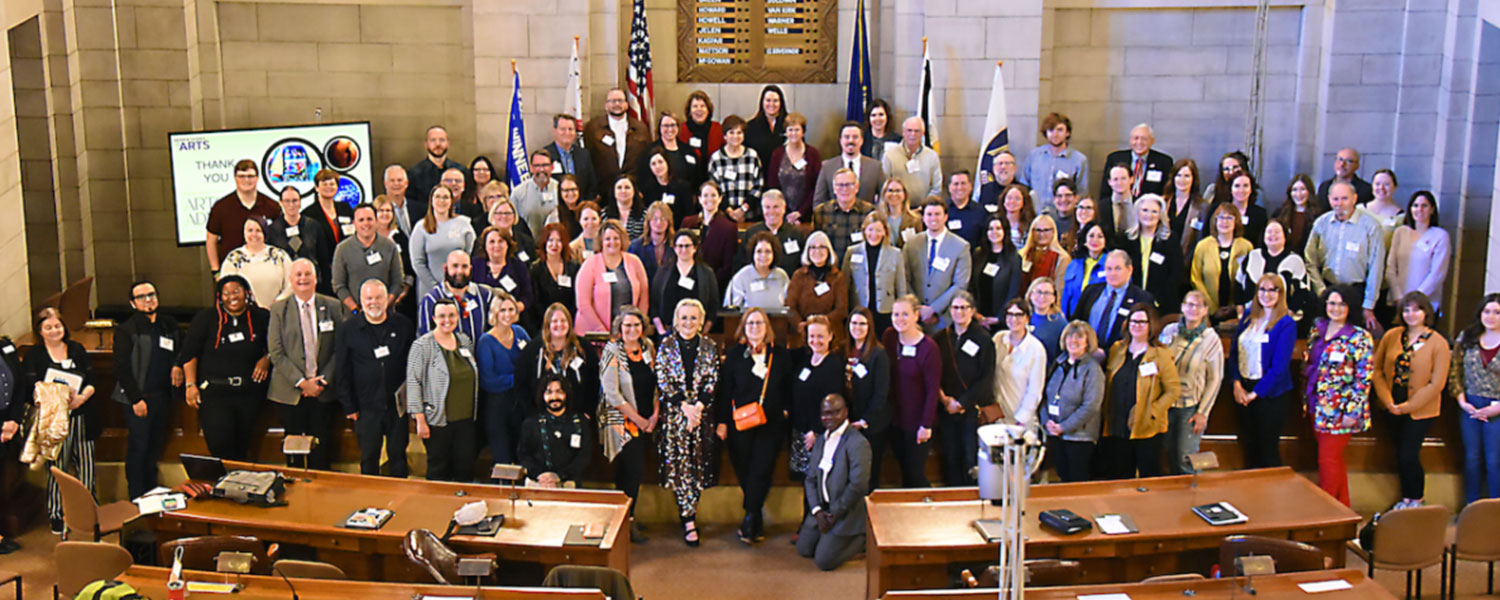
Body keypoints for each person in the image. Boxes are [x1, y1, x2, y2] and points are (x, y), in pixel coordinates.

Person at [717, 308, 792, 545]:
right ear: (743, 327)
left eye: (759, 323)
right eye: (750, 323)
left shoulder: (779, 355)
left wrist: (786, 410)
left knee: (762, 469)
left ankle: (750, 516)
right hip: (739, 423)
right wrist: (721, 422)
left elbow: (789, 387)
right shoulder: (735, 355)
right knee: (744, 470)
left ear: (767, 327)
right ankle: (755, 515)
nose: (755, 327)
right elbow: (725, 391)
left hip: (771, 423)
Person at [1372, 291, 1451, 510]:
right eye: (1406, 309)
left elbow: (1437, 384)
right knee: (1398, 454)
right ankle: (1405, 499)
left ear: (1426, 312)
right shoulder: (1392, 335)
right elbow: (1377, 370)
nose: (1411, 314)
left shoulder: (1438, 342)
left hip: (1420, 410)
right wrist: (1388, 402)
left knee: (1409, 455)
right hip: (1391, 406)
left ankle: (1416, 499)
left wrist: (1407, 407)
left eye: (1416, 309)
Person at [266, 259, 348, 470]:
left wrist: (321, 381)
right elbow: (276, 352)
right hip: (289, 392)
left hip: (323, 390)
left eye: (307, 274)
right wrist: (303, 383)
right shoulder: (278, 309)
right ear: (291, 280)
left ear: (316, 277)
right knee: (294, 449)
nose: (303, 278)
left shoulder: (332, 305)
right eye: (298, 275)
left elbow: (341, 347)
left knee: (322, 447)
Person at [25, 307, 99, 534]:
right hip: (54, 421)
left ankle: (89, 512)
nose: (54, 330)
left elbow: (92, 380)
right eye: (48, 327)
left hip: (82, 416)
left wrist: (81, 398)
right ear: (40, 331)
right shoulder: (34, 355)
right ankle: (57, 514)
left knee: (87, 467)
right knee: (57, 468)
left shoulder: (76, 349)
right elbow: (30, 389)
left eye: (58, 326)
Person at [181, 275, 271, 462]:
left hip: (249, 393)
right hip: (215, 394)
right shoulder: (206, 318)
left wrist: (266, 359)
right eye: (226, 293)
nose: (232, 297)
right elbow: (190, 353)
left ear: (246, 293)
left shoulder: (261, 316)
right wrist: (190, 385)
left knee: (244, 447)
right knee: (220, 446)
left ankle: (241, 486)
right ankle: (226, 487)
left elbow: (276, 346)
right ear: (220, 297)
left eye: (236, 291)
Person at [655, 299, 721, 546]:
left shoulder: (710, 346)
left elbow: (712, 380)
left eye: (694, 318)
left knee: (698, 468)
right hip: (675, 416)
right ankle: (688, 519)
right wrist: (684, 407)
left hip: (702, 417)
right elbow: (663, 381)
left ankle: (693, 510)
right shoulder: (666, 346)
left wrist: (698, 409)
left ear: (701, 321)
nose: (689, 322)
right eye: (684, 317)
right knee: (681, 468)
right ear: (676, 320)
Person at [335, 279, 415, 478]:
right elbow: (342, 370)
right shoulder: (348, 330)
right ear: (361, 301)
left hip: (398, 408)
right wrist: (349, 406)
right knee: (369, 457)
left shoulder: (403, 324)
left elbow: (413, 366)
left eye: (378, 297)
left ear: (386, 298)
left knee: (398, 456)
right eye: (368, 298)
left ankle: (401, 499)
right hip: (365, 408)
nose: (374, 302)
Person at [1302, 285, 1374, 506]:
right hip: (1316, 404)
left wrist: (1352, 410)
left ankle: (1327, 512)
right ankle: (1343, 510)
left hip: (1341, 410)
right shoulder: (1317, 328)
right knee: (1333, 461)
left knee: (1328, 460)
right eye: (1332, 303)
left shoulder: (1360, 337)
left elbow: (1364, 379)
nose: (1336, 308)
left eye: (1342, 304)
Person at [113, 281, 184, 499]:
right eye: (142, 297)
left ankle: (152, 494)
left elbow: (183, 347)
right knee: (139, 448)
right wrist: (136, 399)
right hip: (138, 399)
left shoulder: (168, 323)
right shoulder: (127, 330)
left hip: (162, 397)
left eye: (151, 294)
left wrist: (177, 365)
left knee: (155, 447)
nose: (148, 299)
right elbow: (121, 367)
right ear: (133, 303)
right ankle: (136, 497)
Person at [1099, 303, 1180, 479]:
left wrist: (1154, 411)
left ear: (1151, 325)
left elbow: (1173, 390)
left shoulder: (1161, 354)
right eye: (1133, 321)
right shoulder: (1117, 349)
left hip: (1146, 426)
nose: (1137, 325)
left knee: (1148, 475)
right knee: (1119, 475)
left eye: (1142, 322)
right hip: (1117, 423)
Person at [1227, 273, 1299, 468]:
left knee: (1267, 448)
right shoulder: (1248, 317)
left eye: (1272, 290)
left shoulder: (1286, 324)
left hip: (1270, 394)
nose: (1267, 294)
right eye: (1262, 289)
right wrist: (1236, 384)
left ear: (1280, 293)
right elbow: (1234, 354)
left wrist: (1254, 394)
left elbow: (1279, 367)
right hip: (1243, 388)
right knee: (1248, 445)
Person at [599, 307, 657, 542]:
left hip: (645, 419)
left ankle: (625, 516)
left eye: (636, 325)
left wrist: (654, 415)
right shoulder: (612, 351)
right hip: (621, 422)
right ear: (619, 329)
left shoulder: (648, 348)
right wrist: (639, 420)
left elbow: (656, 383)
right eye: (627, 326)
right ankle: (627, 521)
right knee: (633, 470)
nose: (632, 330)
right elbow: (612, 393)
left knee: (631, 472)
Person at [797, 394, 871, 572]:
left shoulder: (858, 443)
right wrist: (817, 510)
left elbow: (858, 485)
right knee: (804, 549)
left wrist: (835, 513)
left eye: (835, 413)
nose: (829, 418)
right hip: (823, 509)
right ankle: (829, 537)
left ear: (845, 412)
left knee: (824, 561)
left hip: (846, 511)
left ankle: (862, 538)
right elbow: (810, 479)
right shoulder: (821, 440)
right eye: (825, 414)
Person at [407, 299, 478, 482]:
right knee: (439, 471)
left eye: (451, 315)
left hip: (466, 421)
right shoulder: (422, 346)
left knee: (465, 469)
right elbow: (413, 383)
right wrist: (420, 420)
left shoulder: (464, 341)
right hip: (437, 422)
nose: (447, 320)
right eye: (442, 316)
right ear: (433, 318)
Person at [1158, 291, 1224, 475]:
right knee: (1167, 453)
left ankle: (1192, 498)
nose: (1193, 309)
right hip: (1165, 403)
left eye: (1198, 305)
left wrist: (1203, 412)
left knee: (1185, 458)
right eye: (1189, 304)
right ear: (1182, 307)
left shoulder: (1211, 340)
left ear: (1205, 310)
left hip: (1189, 407)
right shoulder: (1170, 331)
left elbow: (1215, 379)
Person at [1306, 181, 1386, 330]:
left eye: (1344, 198)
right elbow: (1309, 260)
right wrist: (1321, 291)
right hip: (1327, 289)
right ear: (1329, 199)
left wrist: (1369, 305)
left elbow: (1376, 267)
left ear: (1354, 198)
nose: (1339, 203)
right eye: (1335, 199)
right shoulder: (1321, 224)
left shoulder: (1371, 227)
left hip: (1355, 293)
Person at [933, 293, 994, 485]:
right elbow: (933, 373)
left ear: (973, 311)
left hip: (971, 409)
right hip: (946, 407)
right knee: (950, 456)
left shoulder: (983, 339)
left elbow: (986, 377)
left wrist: (962, 403)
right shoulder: (941, 338)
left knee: (970, 458)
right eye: (955, 308)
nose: (959, 312)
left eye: (964, 307)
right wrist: (945, 400)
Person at [882, 295, 941, 487]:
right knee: (904, 472)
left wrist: (926, 424)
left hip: (918, 423)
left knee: (916, 474)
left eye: (905, 314)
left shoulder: (929, 348)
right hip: (895, 420)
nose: (900, 319)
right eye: (896, 314)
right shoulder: (889, 337)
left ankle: (930, 512)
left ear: (916, 315)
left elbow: (933, 390)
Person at [1450, 293, 1500, 504]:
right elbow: (1455, 371)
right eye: (1487, 311)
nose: (1491, 316)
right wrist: (1462, 401)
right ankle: (1471, 509)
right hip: (1469, 404)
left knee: (1493, 460)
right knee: (1472, 459)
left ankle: (1494, 510)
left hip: (1496, 408)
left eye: (1497, 312)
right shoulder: (1467, 337)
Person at [1043, 321, 1106, 482]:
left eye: (1079, 337)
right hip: (1055, 433)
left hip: (1079, 436)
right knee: (1062, 476)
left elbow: (1091, 405)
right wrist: (1047, 423)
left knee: (1077, 480)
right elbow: (1045, 396)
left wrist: (1063, 427)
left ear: (1088, 342)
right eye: (1070, 336)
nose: (1074, 341)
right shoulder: (1059, 362)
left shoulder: (1092, 369)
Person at [476, 292, 530, 467]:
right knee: (502, 457)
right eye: (502, 310)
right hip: (497, 407)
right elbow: (489, 381)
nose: (507, 314)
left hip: (520, 404)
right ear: (495, 313)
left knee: (522, 454)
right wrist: (519, 378)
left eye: (511, 309)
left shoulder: (520, 332)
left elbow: (532, 359)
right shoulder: (486, 341)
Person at [904, 198, 973, 330]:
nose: (933, 218)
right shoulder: (911, 245)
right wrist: (918, 308)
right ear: (923, 218)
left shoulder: (960, 246)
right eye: (929, 214)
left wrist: (933, 309)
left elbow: (960, 284)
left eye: (937, 214)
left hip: (944, 318)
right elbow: (904, 279)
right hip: (914, 317)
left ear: (945, 217)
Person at [575, 220, 650, 335]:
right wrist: (602, 332)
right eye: (607, 239)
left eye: (616, 238)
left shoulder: (634, 262)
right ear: (601, 241)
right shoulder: (590, 265)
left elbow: (644, 297)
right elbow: (583, 304)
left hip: (628, 334)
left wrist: (637, 325)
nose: (612, 242)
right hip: (594, 334)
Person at [205, 159, 280, 273]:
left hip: (266, 270)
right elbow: (211, 241)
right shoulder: (221, 207)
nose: (246, 180)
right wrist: (216, 271)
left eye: (250, 176)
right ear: (235, 178)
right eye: (241, 176)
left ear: (257, 178)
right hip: (232, 271)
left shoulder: (272, 206)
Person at [517, 374, 592, 488]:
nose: (554, 397)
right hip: (538, 481)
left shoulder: (580, 422)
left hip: (568, 482)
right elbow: (524, 455)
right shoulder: (531, 423)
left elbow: (584, 457)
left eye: (559, 392)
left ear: (567, 394)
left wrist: (560, 476)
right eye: (549, 392)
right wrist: (540, 475)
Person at [1071, 250, 1154, 349]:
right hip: (1086, 355)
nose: (1112, 273)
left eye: (1118, 269)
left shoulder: (1142, 298)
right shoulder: (1090, 291)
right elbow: (1076, 322)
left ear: (1129, 270)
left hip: (1120, 357)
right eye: (1109, 269)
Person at [846, 309, 891, 489]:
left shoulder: (878, 354)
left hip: (872, 425)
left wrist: (864, 421)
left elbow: (881, 393)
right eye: (854, 323)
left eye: (862, 324)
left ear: (870, 326)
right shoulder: (844, 349)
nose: (857, 327)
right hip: (849, 423)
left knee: (869, 475)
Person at [1236, 220, 1313, 326]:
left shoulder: (1295, 260)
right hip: (1253, 317)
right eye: (1269, 231)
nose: (1272, 235)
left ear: (1285, 236)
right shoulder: (1252, 256)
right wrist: (1241, 312)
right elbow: (1238, 284)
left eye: (1277, 232)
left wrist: (1287, 316)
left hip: (1284, 320)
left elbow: (1302, 292)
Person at [331, 203, 405, 312]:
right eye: (361, 220)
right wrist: (356, 310)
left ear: (376, 221)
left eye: (369, 219)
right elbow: (338, 285)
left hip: (386, 314)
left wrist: (383, 307)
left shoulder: (390, 246)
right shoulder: (342, 249)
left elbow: (397, 282)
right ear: (354, 223)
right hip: (354, 316)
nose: (366, 223)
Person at [1385, 191, 1450, 315]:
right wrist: (1399, 297)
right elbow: (1391, 268)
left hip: (1425, 304)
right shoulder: (1401, 232)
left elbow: (1437, 274)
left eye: (1424, 206)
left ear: (1432, 209)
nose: (1419, 209)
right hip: (1398, 302)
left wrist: (1415, 300)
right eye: (1415, 205)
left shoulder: (1440, 236)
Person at [845, 213, 908, 336]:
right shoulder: (852, 252)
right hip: (860, 310)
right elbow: (846, 284)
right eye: (870, 229)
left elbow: (901, 288)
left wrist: (901, 312)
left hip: (885, 311)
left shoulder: (895, 253)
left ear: (885, 232)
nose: (874, 234)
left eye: (878, 230)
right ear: (864, 230)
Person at [650, 229, 721, 334]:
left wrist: (704, 331)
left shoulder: (706, 273)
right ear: (674, 248)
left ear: (695, 248)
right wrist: (661, 330)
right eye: (680, 246)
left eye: (687, 246)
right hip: (668, 331)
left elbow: (713, 305)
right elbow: (654, 303)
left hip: (697, 332)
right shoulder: (663, 272)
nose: (683, 250)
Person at [1191, 203, 1254, 320]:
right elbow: (1196, 278)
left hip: (1238, 311)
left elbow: (1249, 279)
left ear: (1236, 222)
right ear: (1215, 221)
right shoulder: (1203, 246)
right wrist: (1212, 308)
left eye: (1229, 218)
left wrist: (1236, 306)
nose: (1225, 222)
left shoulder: (1246, 247)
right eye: (1221, 217)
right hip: (1207, 312)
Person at [410, 185, 476, 296]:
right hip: (430, 289)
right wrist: (436, 287)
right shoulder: (421, 227)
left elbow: (469, 254)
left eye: (445, 197)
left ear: (451, 201)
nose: (441, 201)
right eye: (437, 197)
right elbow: (418, 263)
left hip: (459, 287)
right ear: (431, 200)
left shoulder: (464, 223)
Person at [1121, 194, 1182, 311]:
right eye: (1145, 210)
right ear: (1137, 212)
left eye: (1154, 211)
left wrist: (1156, 300)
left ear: (1161, 215)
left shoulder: (1170, 240)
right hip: (1130, 302)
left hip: (1161, 305)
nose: (1149, 215)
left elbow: (1176, 274)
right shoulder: (1126, 239)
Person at [786, 231, 849, 342]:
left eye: (822, 247)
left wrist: (820, 323)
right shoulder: (799, 276)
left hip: (831, 336)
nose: (817, 251)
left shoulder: (838, 277)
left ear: (829, 250)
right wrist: (801, 325)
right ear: (807, 251)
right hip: (803, 335)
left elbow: (841, 309)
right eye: (813, 247)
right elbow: (790, 307)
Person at [301, 169, 356, 295]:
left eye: (332, 184)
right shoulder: (309, 214)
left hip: (348, 267)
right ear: (316, 188)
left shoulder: (345, 208)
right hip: (325, 270)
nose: (328, 187)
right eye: (324, 184)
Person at [583, 88, 651, 189]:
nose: (617, 104)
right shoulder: (593, 128)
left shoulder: (640, 128)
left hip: (634, 188)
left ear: (627, 105)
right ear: (606, 105)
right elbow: (588, 159)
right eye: (613, 101)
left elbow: (647, 157)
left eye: (620, 100)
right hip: (604, 189)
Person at [993, 299, 1046, 428]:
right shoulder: (999, 339)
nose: (1013, 319)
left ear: (1027, 318)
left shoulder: (1036, 349)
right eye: (1010, 314)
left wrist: (1021, 419)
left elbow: (1035, 391)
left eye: (1019, 315)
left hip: (1020, 420)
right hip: (997, 416)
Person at [417, 250, 494, 339]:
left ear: (470, 269)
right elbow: (426, 338)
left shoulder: (485, 295)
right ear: (445, 268)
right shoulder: (431, 300)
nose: (460, 271)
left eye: (464, 266)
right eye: (455, 266)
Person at [219, 218, 293, 308]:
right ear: (244, 233)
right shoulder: (234, 258)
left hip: (278, 311)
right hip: (246, 313)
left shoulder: (280, 255)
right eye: (250, 230)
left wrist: (278, 303)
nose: (254, 234)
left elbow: (291, 284)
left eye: (258, 230)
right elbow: (227, 288)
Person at [1021, 112, 1089, 210]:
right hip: (1035, 214)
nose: (1055, 134)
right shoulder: (1034, 156)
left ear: (1067, 133)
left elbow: (1081, 193)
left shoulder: (1079, 160)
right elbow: (1024, 186)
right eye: (1051, 130)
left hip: (1064, 215)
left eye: (1060, 130)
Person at [681, 181, 739, 287]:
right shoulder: (688, 223)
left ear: (720, 199)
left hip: (714, 284)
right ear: (699, 199)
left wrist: (709, 283)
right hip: (687, 281)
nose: (709, 199)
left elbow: (728, 266)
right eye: (705, 195)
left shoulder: (729, 227)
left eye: (713, 195)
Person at [708, 115, 764, 223]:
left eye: (739, 133)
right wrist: (729, 211)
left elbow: (759, 185)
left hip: (750, 215)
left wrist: (743, 210)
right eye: (731, 132)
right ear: (724, 136)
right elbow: (713, 187)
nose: (735, 136)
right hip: (724, 216)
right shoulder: (716, 158)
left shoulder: (752, 156)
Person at [971, 214, 1023, 328]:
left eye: (998, 228)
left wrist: (999, 317)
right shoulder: (978, 254)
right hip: (978, 317)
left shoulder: (1014, 258)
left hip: (1001, 320)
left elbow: (1013, 292)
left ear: (1005, 230)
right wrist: (975, 313)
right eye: (990, 229)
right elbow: (971, 286)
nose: (994, 232)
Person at [767, 112, 822, 220]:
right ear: (785, 132)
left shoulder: (812, 154)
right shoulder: (777, 154)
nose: (793, 133)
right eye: (790, 130)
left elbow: (817, 187)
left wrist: (800, 212)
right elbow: (772, 185)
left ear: (803, 132)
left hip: (807, 214)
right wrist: (784, 211)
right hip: (781, 214)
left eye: (797, 130)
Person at [816, 121, 885, 207]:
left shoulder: (875, 167)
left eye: (855, 137)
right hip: (835, 219)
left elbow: (884, 198)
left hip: (867, 218)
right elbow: (819, 201)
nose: (851, 140)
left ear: (862, 141)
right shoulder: (828, 167)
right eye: (847, 137)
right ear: (841, 140)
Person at [739, 190, 807, 275]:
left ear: (784, 208)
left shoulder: (796, 234)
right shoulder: (751, 233)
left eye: (776, 207)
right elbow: (741, 265)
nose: (771, 212)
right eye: (767, 207)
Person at [813, 169, 877, 259]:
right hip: (832, 268)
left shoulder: (869, 212)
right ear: (834, 188)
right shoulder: (821, 212)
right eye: (840, 185)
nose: (845, 189)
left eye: (849, 184)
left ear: (857, 187)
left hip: (860, 266)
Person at [1100, 124, 1174, 198]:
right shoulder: (1114, 159)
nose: (1139, 142)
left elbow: (1167, 192)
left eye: (1144, 139)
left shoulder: (1164, 161)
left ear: (1152, 141)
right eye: (1135, 138)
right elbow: (1105, 191)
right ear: (1130, 140)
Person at [882, 117, 943, 206]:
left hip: (924, 211)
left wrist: (924, 207)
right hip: (897, 209)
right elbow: (885, 185)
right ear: (903, 132)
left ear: (923, 133)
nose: (912, 134)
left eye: (917, 131)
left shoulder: (932, 156)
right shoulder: (889, 155)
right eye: (909, 130)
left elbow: (936, 187)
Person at [374, 195, 418, 319]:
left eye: (388, 210)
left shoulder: (400, 236)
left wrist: (404, 291)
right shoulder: (369, 237)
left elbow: (410, 266)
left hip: (401, 297)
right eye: (381, 210)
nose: (385, 214)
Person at [724, 231, 791, 311]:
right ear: (753, 253)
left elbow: (789, 305)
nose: (763, 255)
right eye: (759, 251)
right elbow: (732, 310)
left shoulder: (782, 276)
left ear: (774, 254)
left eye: (768, 251)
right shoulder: (741, 276)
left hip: (778, 322)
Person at [473, 227, 533, 312]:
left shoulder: (519, 266)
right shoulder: (475, 265)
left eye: (501, 241)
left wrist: (515, 308)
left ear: (507, 245)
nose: (496, 245)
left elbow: (527, 296)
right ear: (485, 246)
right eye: (492, 242)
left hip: (510, 318)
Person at [407, 125, 465, 209]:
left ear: (448, 143)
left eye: (442, 140)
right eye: (433, 140)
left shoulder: (461, 171)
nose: (438, 144)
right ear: (426, 144)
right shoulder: (414, 174)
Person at [531, 223, 581, 319]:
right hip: (543, 323)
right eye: (551, 240)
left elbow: (576, 298)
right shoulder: (536, 269)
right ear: (544, 242)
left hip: (570, 322)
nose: (554, 245)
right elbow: (535, 302)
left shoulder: (573, 268)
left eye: (559, 241)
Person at [544, 114, 597, 203]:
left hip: (580, 208)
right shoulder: (545, 155)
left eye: (570, 129)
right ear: (555, 131)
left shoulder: (584, 154)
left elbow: (592, 185)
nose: (567, 133)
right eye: (563, 129)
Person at [1061, 222, 1108, 318]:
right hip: (1073, 318)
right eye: (1091, 236)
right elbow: (1065, 296)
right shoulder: (1074, 264)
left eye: (1100, 236)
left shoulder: (1111, 265)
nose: (1095, 240)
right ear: (1085, 240)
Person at [1163, 159, 1208, 258]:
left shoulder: (1201, 207)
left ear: (1193, 179)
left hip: (1187, 260)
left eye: (1187, 176)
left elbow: (1200, 238)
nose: (1182, 180)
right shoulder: (1162, 202)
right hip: (1162, 258)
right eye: (1178, 175)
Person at [265, 186, 321, 264]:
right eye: (287, 201)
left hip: (309, 274)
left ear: (300, 201)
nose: (291, 204)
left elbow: (323, 258)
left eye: (295, 200)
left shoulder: (313, 226)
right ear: (281, 203)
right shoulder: (272, 230)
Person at [637, 112, 693, 190]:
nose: (669, 129)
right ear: (659, 128)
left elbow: (695, 175)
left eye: (673, 125)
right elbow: (644, 176)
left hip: (684, 195)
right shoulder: (650, 150)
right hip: (657, 194)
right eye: (666, 126)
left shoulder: (688, 150)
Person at [679, 90, 722, 189]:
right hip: (688, 183)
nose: (699, 109)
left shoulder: (717, 129)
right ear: (689, 111)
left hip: (713, 182)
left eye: (702, 106)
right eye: (695, 106)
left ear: (708, 110)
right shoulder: (681, 130)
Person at [639, 149, 694, 227]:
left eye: (660, 162)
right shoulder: (647, 189)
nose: (657, 166)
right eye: (653, 164)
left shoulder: (683, 187)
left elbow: (688, 215)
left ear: (667, 163)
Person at [512, 150, 560, 234]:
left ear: (552, 167)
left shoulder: (560, 189)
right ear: (531, 168)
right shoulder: (518, 192)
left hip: (554, 244)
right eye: (537, 165)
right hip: (527, 243)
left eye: (545, 165)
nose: (541, 169)